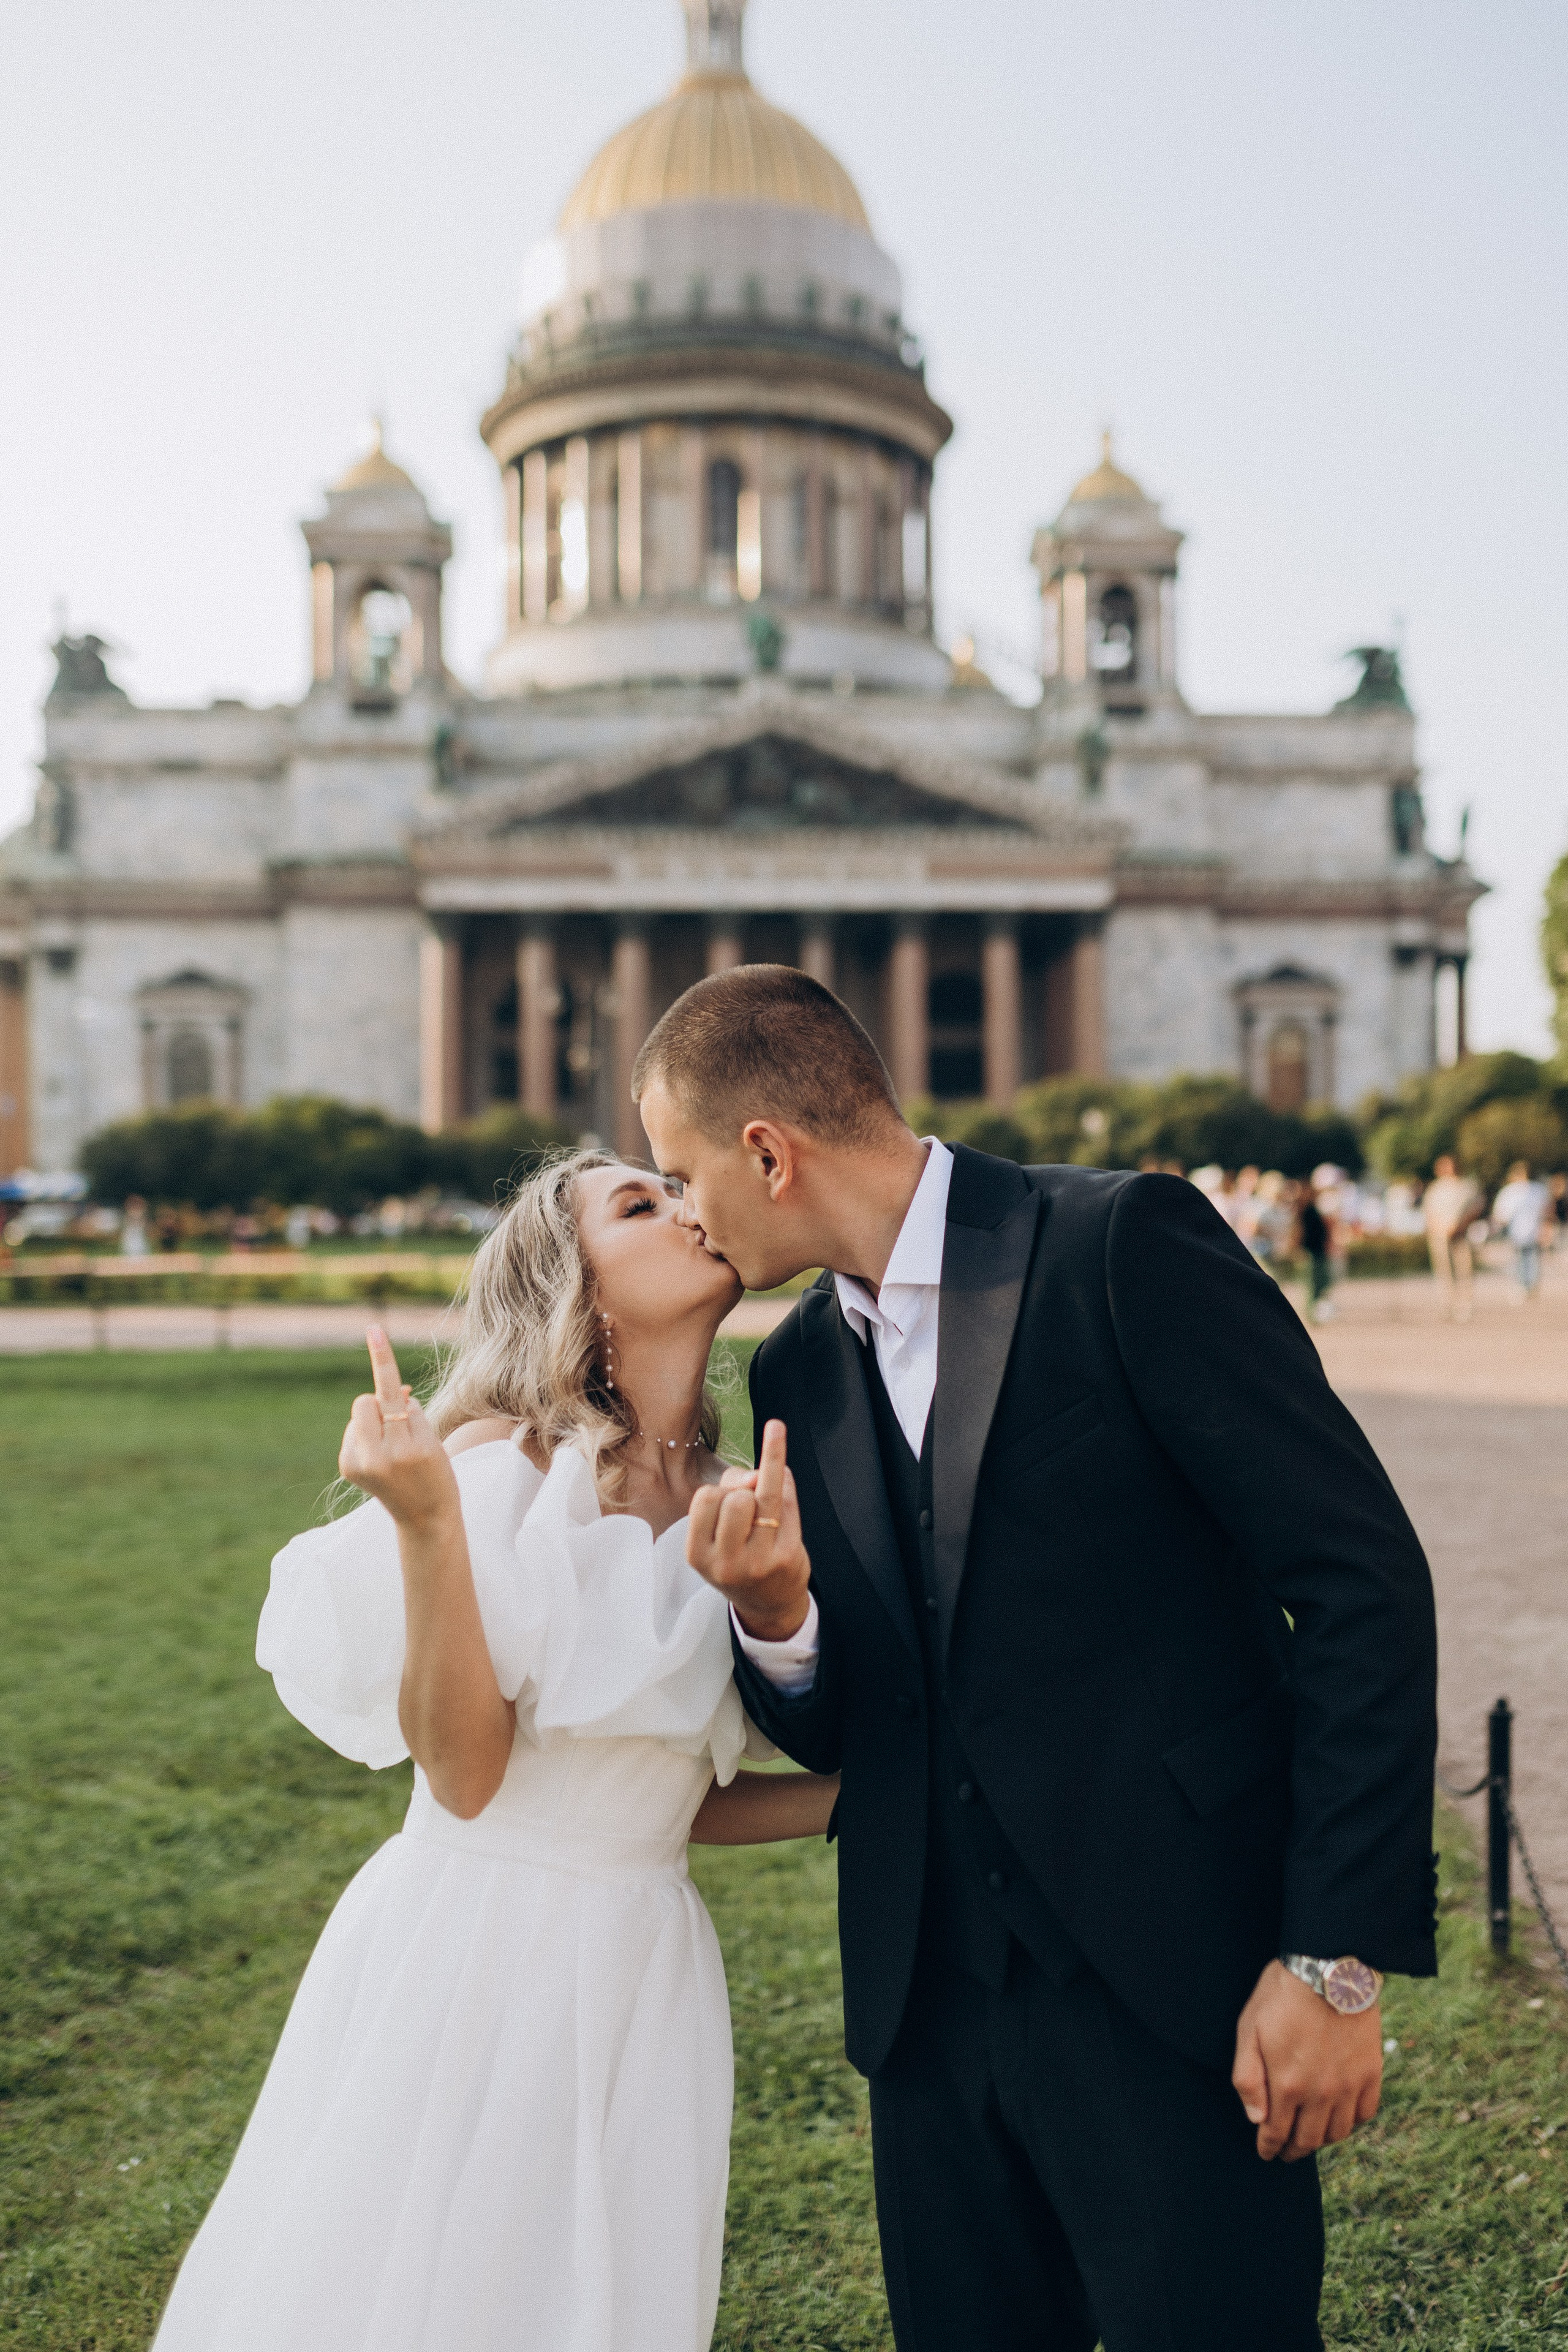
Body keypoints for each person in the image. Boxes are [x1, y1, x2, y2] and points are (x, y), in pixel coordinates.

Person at [634, 965, 1439, 2352]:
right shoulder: (794, 1376)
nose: (682, 1210)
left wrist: (1331, 1960)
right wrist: (777, 1618)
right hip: (926, 2021)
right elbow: (850, 1727)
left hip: (1176, 1995)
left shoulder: (1119, 1241)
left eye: (677, 1170)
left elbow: (1360, 1581)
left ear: (765, 1151)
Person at [151, 1148, 837, 2352]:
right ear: (573, 1281)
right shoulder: (502, 1473)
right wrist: (424, 1529)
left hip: (645, 1958)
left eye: (679, 1187)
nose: (686, 1207)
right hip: (478, 1946)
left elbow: (656, 1799)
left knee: (589, 2296)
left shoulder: (741, 1501)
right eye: (639, 1203)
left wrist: (869, 1798)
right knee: (437, 2289)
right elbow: (468, 1779)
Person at [1421, 1155, 1480, 1321]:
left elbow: (1475, 1208)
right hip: (1439, 1234)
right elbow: (1429, 1213)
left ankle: (1465, 1305)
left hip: (1461, 1234)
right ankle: (1447, 1304)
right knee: (1443, 1270)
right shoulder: (1435, 1189)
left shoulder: (1465, 1186)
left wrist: (1461, 1226)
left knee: (1464, 1269)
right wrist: (1439, 1228)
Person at [1491, 1159, 1551, 1300]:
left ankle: (1526, 1287)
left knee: (1523, 1260)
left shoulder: (1511, 1192)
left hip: (1523, 1232)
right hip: (1526, 1232)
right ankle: (1529, 1287)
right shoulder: (1538, 1190)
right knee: (1529, 1260)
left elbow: (1500, 1215)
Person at [1294, 1176, 1336, 1323]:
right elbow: (1299, 1232)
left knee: (1321, 1284)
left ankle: (1316, 1314)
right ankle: (1311, 1316)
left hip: (1318, 1251)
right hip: (1310, 1252)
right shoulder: (1305, 1211)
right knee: (1312, 1286)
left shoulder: (1314, 1210)